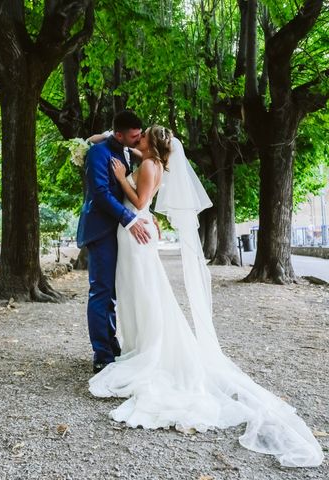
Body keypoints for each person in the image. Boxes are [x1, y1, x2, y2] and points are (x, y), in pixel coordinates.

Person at [88, 125, 324, 467]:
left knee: (145, 290)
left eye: (141, 137)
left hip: (135, 231)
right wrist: (102, 140)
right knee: (137, 290)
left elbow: (139, 200)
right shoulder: (151, 159)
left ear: (149, 142)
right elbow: (120, 149)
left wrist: (123, 178)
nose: (135, 141)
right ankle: (137, 343)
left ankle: (148, 348)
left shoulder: (149, 165)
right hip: (137, 230)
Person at [76, 110, 152, 374]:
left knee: (114, 293)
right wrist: (129, 220)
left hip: (119, 232)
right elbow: (99, 192)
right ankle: (101, 354)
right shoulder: (99, 153)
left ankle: (111, 344)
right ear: (118, 134)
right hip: (101, 231)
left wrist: (146, 217)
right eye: (134, 136)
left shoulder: (127, 151)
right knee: (101, 291)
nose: (138, 138)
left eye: (140, 135)